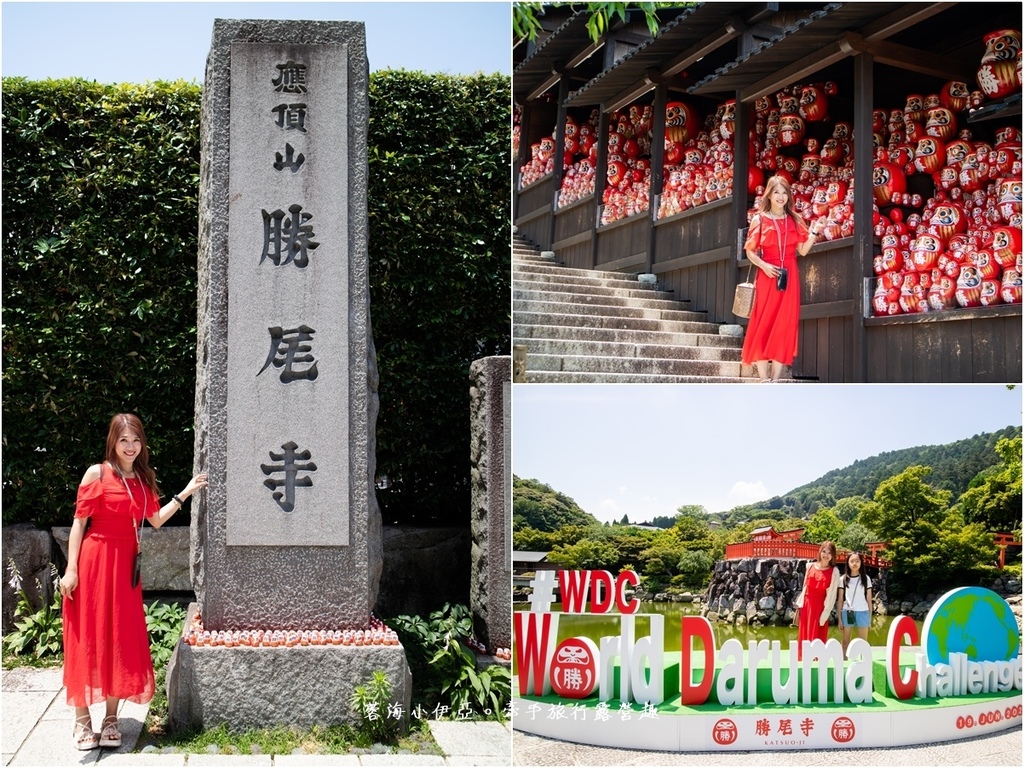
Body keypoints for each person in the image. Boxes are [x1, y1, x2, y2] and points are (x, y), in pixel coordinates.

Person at [60, 413, 207, 750]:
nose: (130, 447)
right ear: (113, 441)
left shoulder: (142, 480)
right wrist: (71, 569)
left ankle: (111, 718)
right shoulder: (96, 474)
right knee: (87, 636)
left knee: (119, 637)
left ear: (143, 444)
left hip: (125, 569)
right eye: (123, 440)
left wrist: (185, 493)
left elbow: (154, 520)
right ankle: (82, 719)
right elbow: (79, 525)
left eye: (135, 440)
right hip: (94, 562)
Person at [741, 175, 826, 382]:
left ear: (789, 196)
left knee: (784, 325)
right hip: (767, 274)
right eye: (776, 192)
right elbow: (750, 251)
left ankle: (776, 379)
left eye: (784, 192)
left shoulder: (794, 220)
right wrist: (764, 265)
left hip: (789, 276)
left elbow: (803, 251)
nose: (780, 197)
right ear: (769, 195)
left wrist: (815, 231)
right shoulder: (759, 219)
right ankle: (763, 379)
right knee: (763, 322)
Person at [794, 541, 840, 660]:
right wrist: (800, 605)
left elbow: (832, 595)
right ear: (820, 552)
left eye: (829, 553)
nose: (826, 555)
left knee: (817, 636)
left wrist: (826, 612)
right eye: (824, 551)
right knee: (804, 634)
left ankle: (816, 663)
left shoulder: (834, 572)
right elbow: (805, 587)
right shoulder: (810, 566)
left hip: (820, 606)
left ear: (833, 555)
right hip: (807, 605)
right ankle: (802, 660)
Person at [837, 551, 873, 654]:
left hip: (863, 611)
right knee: (845, 642)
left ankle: (863, 665)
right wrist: (839, 619)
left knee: (863, 643)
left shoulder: (866, 579)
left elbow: (869, 600)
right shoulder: (843, 579)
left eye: (857, 561)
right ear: (848, 563)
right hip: (848, 611)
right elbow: (840, 600)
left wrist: (869, 619)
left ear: (861, 562)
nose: (854, 563)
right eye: (852, 561)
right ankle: (843, 663)